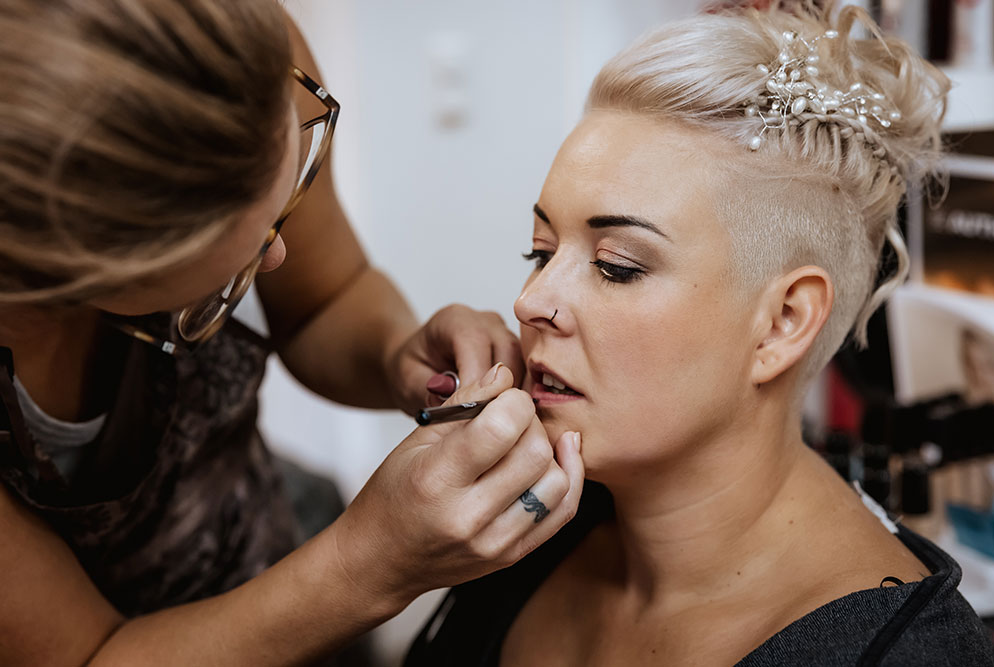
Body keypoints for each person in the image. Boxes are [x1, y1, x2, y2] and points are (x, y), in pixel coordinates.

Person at [406, 3, 994, 666]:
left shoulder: (906, 654)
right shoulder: (524, 525)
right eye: (540, 252)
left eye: (616, 267)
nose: (531, 301)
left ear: (783, 322)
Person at [0, 1, 586, 664]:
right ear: (71, 269)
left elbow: (323, 299)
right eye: (236, 261)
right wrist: (367, 563)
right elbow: (89, 655)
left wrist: (397, 349)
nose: (277, 259)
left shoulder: (234, 46)